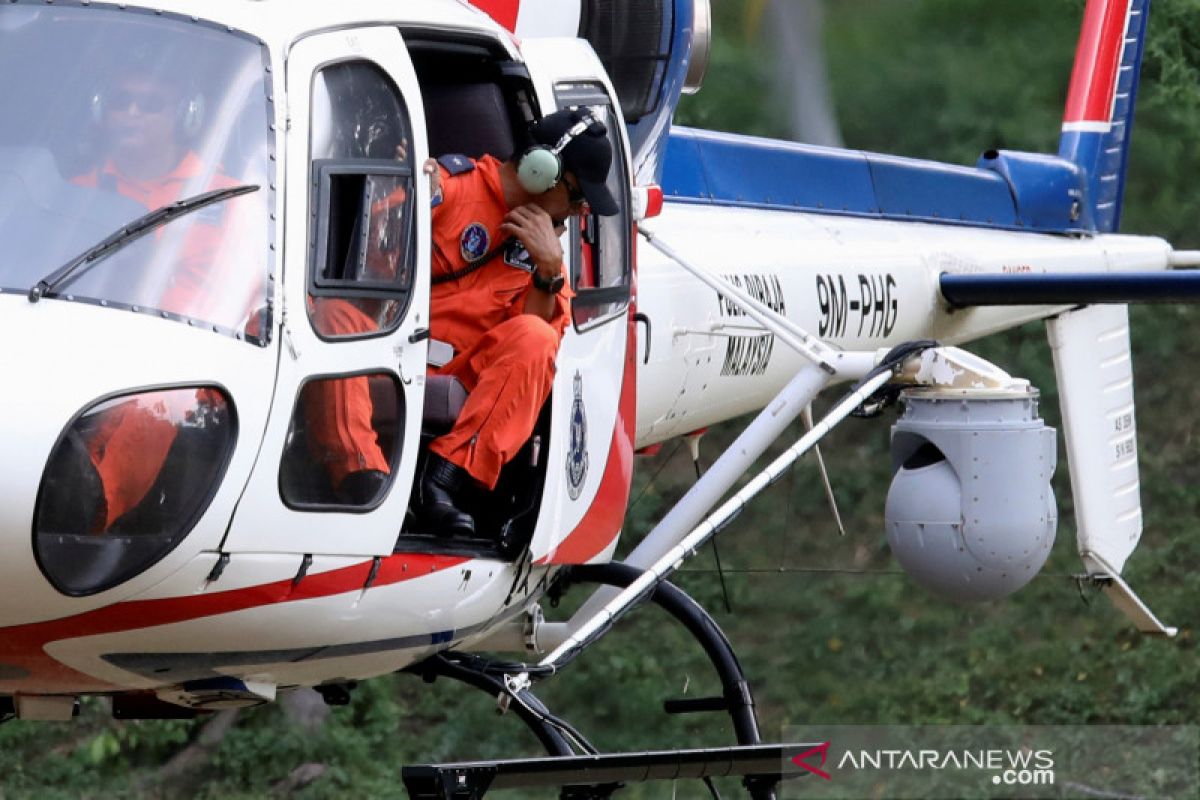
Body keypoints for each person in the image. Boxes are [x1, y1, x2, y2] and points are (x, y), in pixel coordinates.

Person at [415, 107, 620, 536]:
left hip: (464, 376)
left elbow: (531, 357)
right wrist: (412, 189)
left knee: (536, 338)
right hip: (392, 356)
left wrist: (548, 271)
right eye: (578, 198)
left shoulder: (549, 256)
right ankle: (363, 478)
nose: (580, 212)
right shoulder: (451, 190)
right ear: (541, 171)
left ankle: (444, 480)